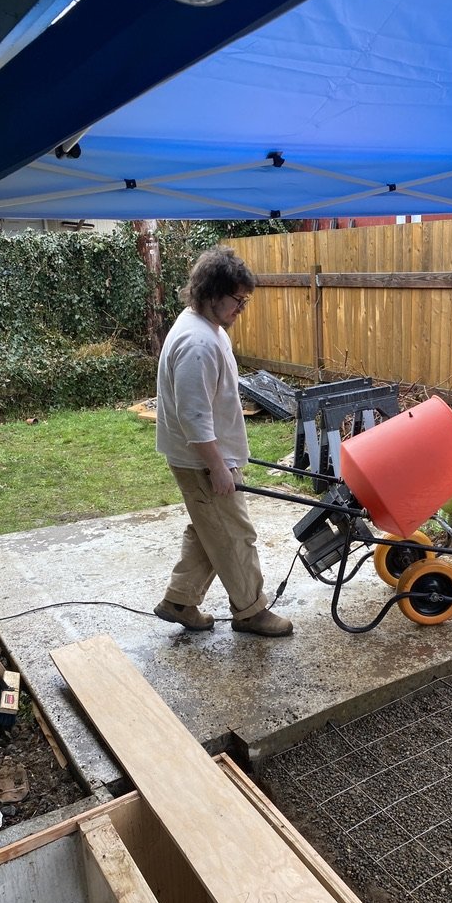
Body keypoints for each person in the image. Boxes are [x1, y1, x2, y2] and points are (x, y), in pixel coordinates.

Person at [153, 246, 293, 637]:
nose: (242, 308)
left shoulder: (204, 327)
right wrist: (217, 466)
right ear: (212, 293)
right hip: (201, 459)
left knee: (210, 529)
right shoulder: (197, 343)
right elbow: (193, 416)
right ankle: (251, 611)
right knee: (234, 534)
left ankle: (180, 601)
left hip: (207, 454)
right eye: (237, 300)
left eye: (245, 300)